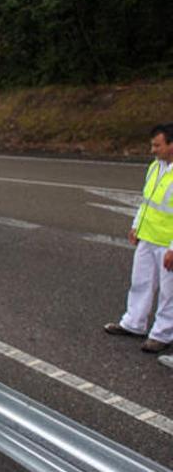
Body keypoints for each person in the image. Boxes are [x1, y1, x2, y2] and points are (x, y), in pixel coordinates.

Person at [104, 124, 173, 353]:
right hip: (147, 237)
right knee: (140, 282)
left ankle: (162, 334)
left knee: (168, 292)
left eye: (157, 145)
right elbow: (146, 200)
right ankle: (134, 323)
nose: (153, 149)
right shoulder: (155, 167)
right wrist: (136, 225)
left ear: (171, 145)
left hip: (167, 243)